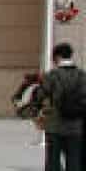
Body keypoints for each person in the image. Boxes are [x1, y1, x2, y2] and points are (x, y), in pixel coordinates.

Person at [34, 43, 84, 171]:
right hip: (76, 126)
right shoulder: (82, 75)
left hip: (55, 125)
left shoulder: (52, 75)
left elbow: (40, 96)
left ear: (57, 57)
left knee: (53, 161)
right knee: (74, 161)